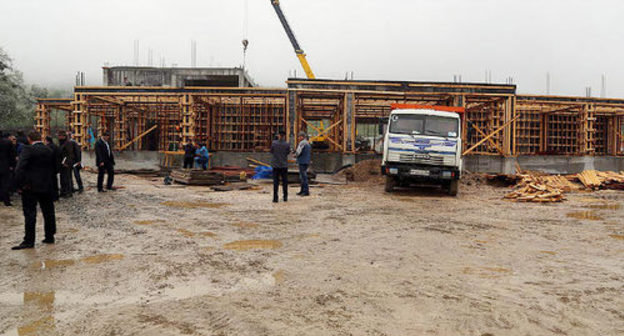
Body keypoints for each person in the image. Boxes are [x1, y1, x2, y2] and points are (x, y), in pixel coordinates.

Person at [12, 131, 57, 250]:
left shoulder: (27, 150)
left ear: (29, 139)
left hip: (30, 187)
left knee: (30, 214)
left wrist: (19, 185)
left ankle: (29, 241)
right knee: (48, 212)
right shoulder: (49, 150)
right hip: (47, 186)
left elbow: (19, 168)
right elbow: (55, 168)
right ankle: (50, 236)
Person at [270, 130, 290, 203]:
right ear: (284, 136)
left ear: (279, 135)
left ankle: (275, 198)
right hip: (284, 165)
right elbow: (287, 152)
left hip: (276, 165)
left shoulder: (274, 143)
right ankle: (285, 197)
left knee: (276, 182)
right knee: (285, 182)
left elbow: (271, 151)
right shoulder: (287, 144)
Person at [0, 132, 17, 206]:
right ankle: (6, 200)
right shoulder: (7, 142)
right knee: (5, 183)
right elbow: (12, 154)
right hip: (5, 165)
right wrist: (12, 165)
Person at [57, 130, 75, 198]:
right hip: (62, 164)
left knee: (67, 178)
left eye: (59, 135)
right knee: (62, 178)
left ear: (63, 136)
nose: (58, 137)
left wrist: (67, 162)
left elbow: (70, 154)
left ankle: (68, 192)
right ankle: (63, 191)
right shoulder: (61, 143)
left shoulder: (68, 143)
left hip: (66, 164)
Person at [44, 136, 61, 201]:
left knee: (50, 182)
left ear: (47, 140)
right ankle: (56, 196)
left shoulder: (47, 147)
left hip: (49, 167)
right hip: (55, 166)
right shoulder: (55, 146)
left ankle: (52, 196)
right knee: (55, 181)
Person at [295, 131, 311, 196]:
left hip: (302, 161)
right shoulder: (307, 143)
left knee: (303, 177)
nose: (298, 138)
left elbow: (298, 152)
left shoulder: (302, 143)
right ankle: (302, 190)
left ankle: (305, 191)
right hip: (306, 161)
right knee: (303, 176)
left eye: (299, 136)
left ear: (302, 137)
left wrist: (295, 155)